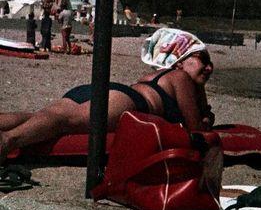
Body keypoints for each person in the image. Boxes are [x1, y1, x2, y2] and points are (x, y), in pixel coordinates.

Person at [0, 28, 215, 164]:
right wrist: (206, 117)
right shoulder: (180, 77)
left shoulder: (158, 75)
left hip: (107, 91)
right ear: (179, 61)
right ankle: (7, 142)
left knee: (45, 116)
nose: (209, 66)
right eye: (202, 59)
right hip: (129, 102)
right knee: (64, 121)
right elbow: (196, 128)